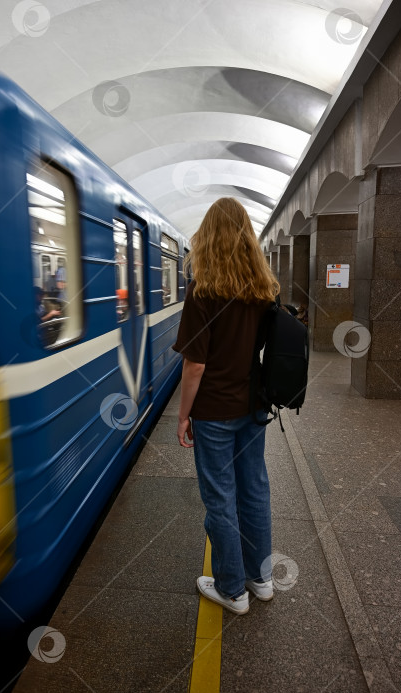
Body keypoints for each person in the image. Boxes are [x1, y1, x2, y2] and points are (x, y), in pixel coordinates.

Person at [172, 198, 280, 615]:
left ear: (208, 237)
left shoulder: (203, 291)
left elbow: (195, 365)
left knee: (220, 497)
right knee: (254, 489)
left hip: (215, 411)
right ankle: (262, 579)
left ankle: (232, 590)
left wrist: (183, 416)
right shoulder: (263, 289)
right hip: (253, 405)